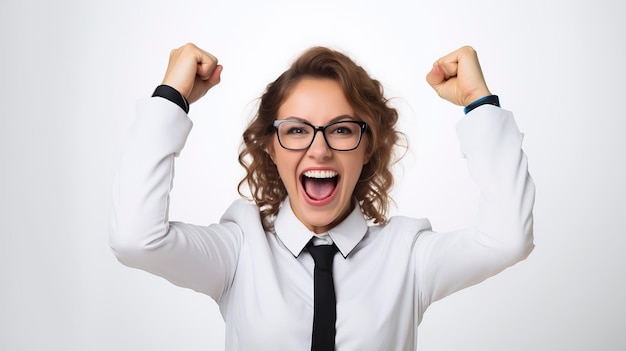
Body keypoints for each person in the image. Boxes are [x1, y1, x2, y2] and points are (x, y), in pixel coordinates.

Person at [110, 43, 535, 350]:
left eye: (342, 129)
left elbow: (508, 239)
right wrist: (170, 97)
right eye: (296, 129)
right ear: (271, 148)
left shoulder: (407, 256)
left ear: (368, 147)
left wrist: (479, 104)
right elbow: (135, 239)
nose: (319, 149)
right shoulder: (239, 250)